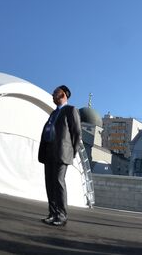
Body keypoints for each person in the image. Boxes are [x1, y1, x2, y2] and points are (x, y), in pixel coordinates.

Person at [38, 85, 81, 226]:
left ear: (63, 95)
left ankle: (62, 215)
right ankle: (52, 213)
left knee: (58, 182)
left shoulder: (70, 110)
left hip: (62, 153)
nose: (52, 94)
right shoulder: (53, 113)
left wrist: (72, 152)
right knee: (49, 183)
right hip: (49, 152)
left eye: (55, 92)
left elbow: (77, 133)